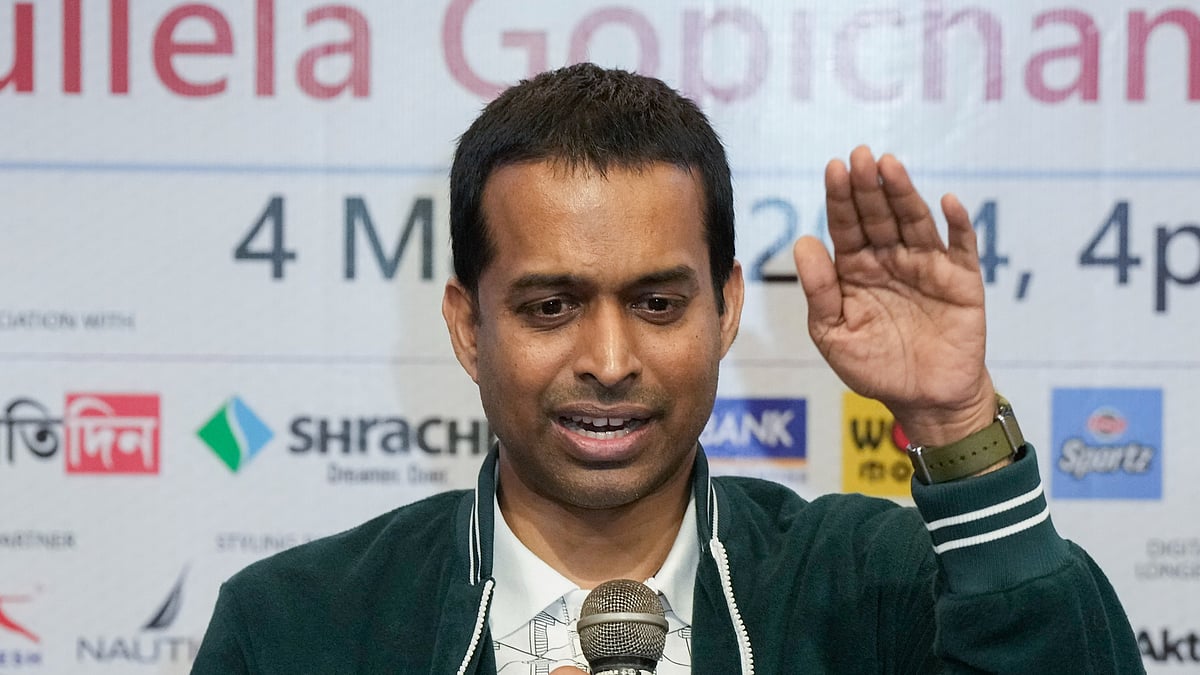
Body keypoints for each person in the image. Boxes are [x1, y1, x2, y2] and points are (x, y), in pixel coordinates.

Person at [192, 63, 1142, 674]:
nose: (609, 361)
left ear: (726, 308)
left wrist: (953, 416)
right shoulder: (297, 628)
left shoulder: (874, 587)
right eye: (550, 306)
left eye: (657, 303)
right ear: (467, 326)